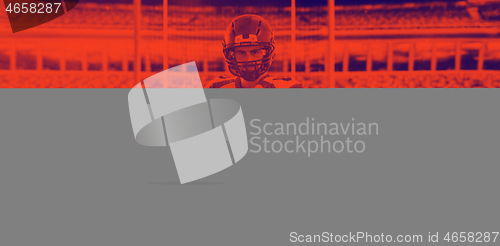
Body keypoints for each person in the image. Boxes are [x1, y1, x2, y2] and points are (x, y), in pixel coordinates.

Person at [205, 14, 303, 88]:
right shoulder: (216, 87)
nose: (248, 59)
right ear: (232, 55)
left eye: (254, 52)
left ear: (265, 53)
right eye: (241, 53)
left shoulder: (287, 89)